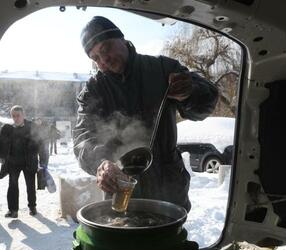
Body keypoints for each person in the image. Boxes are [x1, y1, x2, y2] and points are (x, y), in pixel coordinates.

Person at [72, 16, 219, 212]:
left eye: (106, 48)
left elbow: (207, 104)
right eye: (95, 57)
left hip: (169, 187)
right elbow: (82, 138)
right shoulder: (93, 90)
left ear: (121, 39)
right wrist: (101, 164)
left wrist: (190, 92)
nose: (103, 60)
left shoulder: (163, 69)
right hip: (120, 188)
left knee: (168, 239)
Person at [0, 105, 46, 218]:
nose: (16, 118)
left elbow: (41, 144)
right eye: (13, 116)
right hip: (13, 162)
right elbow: (0, 142)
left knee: (30, 185)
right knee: (12, 185)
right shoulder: (7, 128)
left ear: (23, 115)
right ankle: (13, 210)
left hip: (29, 161)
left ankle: (32, 206)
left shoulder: (33, 127)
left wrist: (43, 161)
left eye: (18, 115)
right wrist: (1, 156)